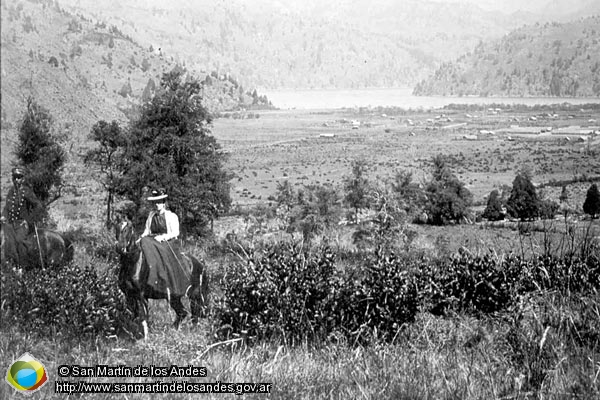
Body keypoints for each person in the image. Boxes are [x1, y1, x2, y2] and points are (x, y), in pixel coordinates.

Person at [138, 189, 189, 297]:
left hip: (168, 241)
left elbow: (175, 232)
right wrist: (140, 238)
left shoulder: (171, 216)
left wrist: (163, 237)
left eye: (159, 202)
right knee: (144, 242)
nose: (157, 205)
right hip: (153, 240)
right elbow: (147, 231)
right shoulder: (151, 215)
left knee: (152, 245)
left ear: (164, 203)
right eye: (155, 202)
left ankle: (164, 276)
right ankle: (150, 274)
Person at [1, 167, 44, 263]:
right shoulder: (11, 192)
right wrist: (3, 215)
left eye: (18, 177)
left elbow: (38, 206)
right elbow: (6, 207)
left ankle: (23, 266)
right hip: (11, 224)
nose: (16, 180)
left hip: (22, 224)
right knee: (6, 242)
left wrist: (28, 220)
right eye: (14, 177)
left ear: (23, 179)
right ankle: (9, 264)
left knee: (20, 241)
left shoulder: (27, 191)